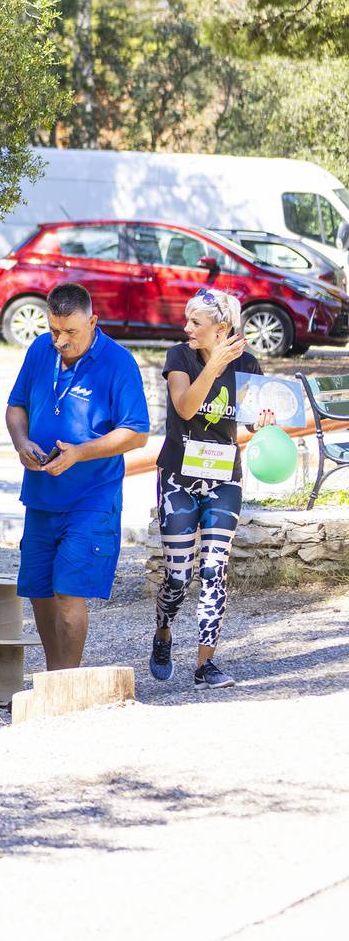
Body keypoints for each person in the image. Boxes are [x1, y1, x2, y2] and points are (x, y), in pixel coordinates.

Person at [4, 282, 150, 671]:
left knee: (68, 593)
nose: (60, 341)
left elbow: (136, 432)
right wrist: (21, 443)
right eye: (54, 330)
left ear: (93, 321)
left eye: (70, 332)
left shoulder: (118, 363)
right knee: (38, 591)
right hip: (40, 495)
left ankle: (66, 685)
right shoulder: (40, 350)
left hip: (91, 498)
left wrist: (81, 453)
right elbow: (16, 406)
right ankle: (55, 678)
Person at [152, 287, 270, 690]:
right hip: (177, 479)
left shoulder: (249, 363)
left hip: (225, 478)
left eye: (195, 323)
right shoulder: (179, 357)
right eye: (187, 320)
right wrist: (214, 365)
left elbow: (252, 419)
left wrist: (263, 421)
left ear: (221, 329)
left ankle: (205, 665)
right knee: (178, 577)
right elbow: (185, 406)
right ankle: (164, 631)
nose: (186, 328)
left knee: (214, 569)